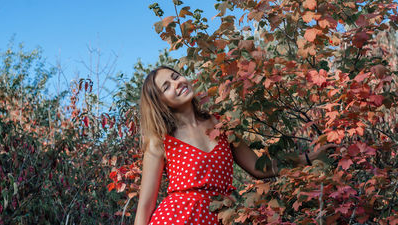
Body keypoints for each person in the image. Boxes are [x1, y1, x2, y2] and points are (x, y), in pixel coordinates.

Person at [134, 66, 333, 225]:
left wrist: (307, 158)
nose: (177, 83)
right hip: (176, 218)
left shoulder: (223, 125)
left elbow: (258, 168)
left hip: (219, 215)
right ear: (160, 103)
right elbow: (145, 205)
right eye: (166, 87)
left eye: (176, 77)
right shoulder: (161, 141)